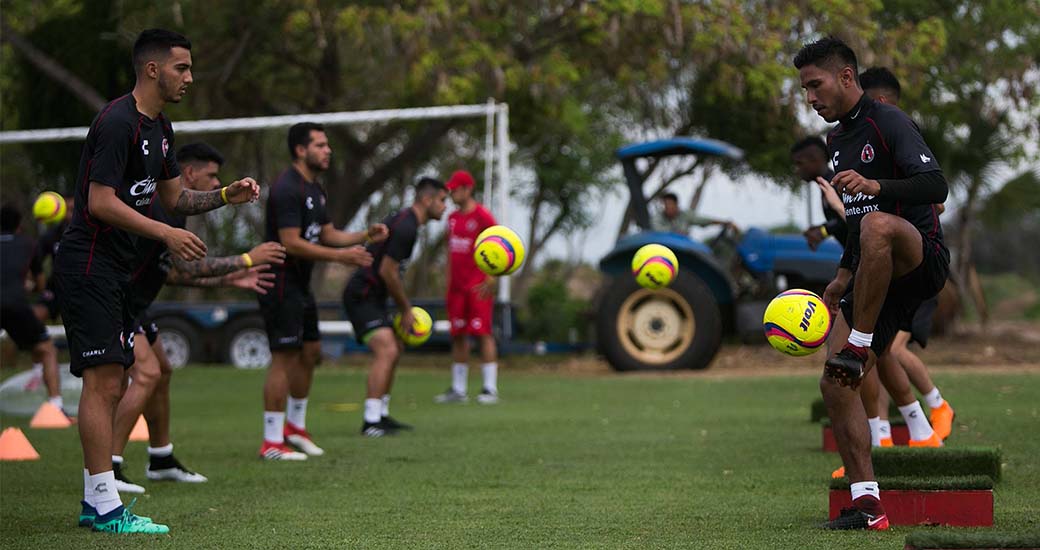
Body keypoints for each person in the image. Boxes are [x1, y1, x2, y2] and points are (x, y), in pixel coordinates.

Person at [55, 29, 260, 534]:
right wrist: (166, 235)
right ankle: (103, 507)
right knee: (104, 382)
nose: (189, 77)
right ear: (152, 69)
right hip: (89, 264)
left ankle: (96, 499)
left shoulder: (161, 128)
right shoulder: (117, 122)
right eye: (181, 68)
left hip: (116, 269)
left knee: (117, 380)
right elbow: (99, 202)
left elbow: (176, 200)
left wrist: (226, 197)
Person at [795, 36, 950, 530]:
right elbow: (857, 220)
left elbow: (935, 186)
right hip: (873, 270)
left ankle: (862, 345)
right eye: (804, 89)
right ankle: (867, 506)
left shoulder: (890, 121)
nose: (810, 97)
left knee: (878, 223)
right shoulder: (836, 141)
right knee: (834, 381)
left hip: (920, 256)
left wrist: (877, 187)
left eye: (815, 85)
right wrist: (842, 275)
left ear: (845, 77)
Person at [108, 142, 285, 494]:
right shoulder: (160, 206)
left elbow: (172, 273)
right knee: (147, 374)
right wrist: (246, 260)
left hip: (137, 304)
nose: (216, 181)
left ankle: (160, 458)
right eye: (212, 175)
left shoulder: (175, 213)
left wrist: (229, 278)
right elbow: (185, 266)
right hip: (115, 299)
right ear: (189, 173)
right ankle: (107, 467)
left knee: (163, 372)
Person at [258, 122, 387, 460]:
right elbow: (291, 243)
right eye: (320, 145)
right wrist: (342, 257)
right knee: (284, 357)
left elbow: (327, 233)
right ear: (301, 150)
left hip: (301, 285)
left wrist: (364, 236)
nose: (327, 150)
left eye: (327, 145)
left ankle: (294, 428)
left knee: (311, 351)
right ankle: (271, 441)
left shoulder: (315, 189)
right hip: (279, 282)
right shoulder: (287, 188)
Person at [859, 67, 955, 444]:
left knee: (889, 350)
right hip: (891, 271)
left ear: (879, 104)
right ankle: (887, 435)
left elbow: (935, 196)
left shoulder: (898, 139)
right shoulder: (860, 151)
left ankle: (935, 407)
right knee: (877, 351)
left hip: (918, 273)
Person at [343, 177, 448, 437]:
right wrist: (406, 309)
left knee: (396, 348)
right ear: (427, 199)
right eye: (443, 201)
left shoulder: (407, 222)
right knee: (387, 349)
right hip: (361, 295)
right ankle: (370, 422)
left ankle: (381, 414)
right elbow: (388, 272)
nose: (446, 207)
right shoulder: (407, 226)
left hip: (375, 297)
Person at [435, 170, 500, 404]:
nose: (452, 193)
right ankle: (458, 389)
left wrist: (492, 278)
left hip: (478, 287)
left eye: (456, 189)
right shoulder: (451, 218)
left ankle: (489, 388)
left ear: (468, 189)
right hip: (456, 288)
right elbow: (449, 252)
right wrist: (448, 281)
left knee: (483, 333)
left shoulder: (483, 216)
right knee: (458, 335)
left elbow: (499, 246)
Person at [0, 204, 63, 412]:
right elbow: (40, 284)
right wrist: (29, 287)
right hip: (15, 304)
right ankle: (55, 406)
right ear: (19, 226)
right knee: (47, 350)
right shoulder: (28, 244)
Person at [791, 137, 846, 250]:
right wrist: (820, 229)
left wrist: (823, 230)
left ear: (815, 159)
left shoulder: (838, 184)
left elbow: (852, 217)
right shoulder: (826, 186)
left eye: (799, 163)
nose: (796, 169)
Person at [651, 192, 736, 234]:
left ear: (676, 205)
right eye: (665, 205)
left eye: (670, 204)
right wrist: (677, 233)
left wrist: (724, 223)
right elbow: (656, 230)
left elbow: (704, 220)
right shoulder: (657, 217)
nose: (668, 208)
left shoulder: (685, 215)